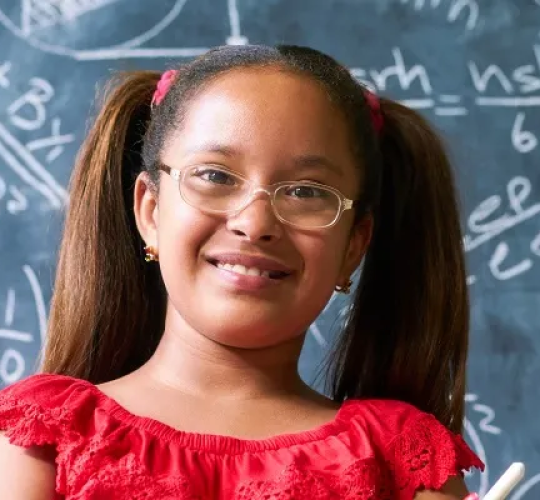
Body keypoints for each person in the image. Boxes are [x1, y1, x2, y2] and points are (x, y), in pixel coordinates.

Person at [0, 44, 484, 499]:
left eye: (307, 192)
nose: (255, 224)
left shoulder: (403, 459)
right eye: (214, 176)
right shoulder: (45, 435)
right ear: (150, 211)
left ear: (353, 245)